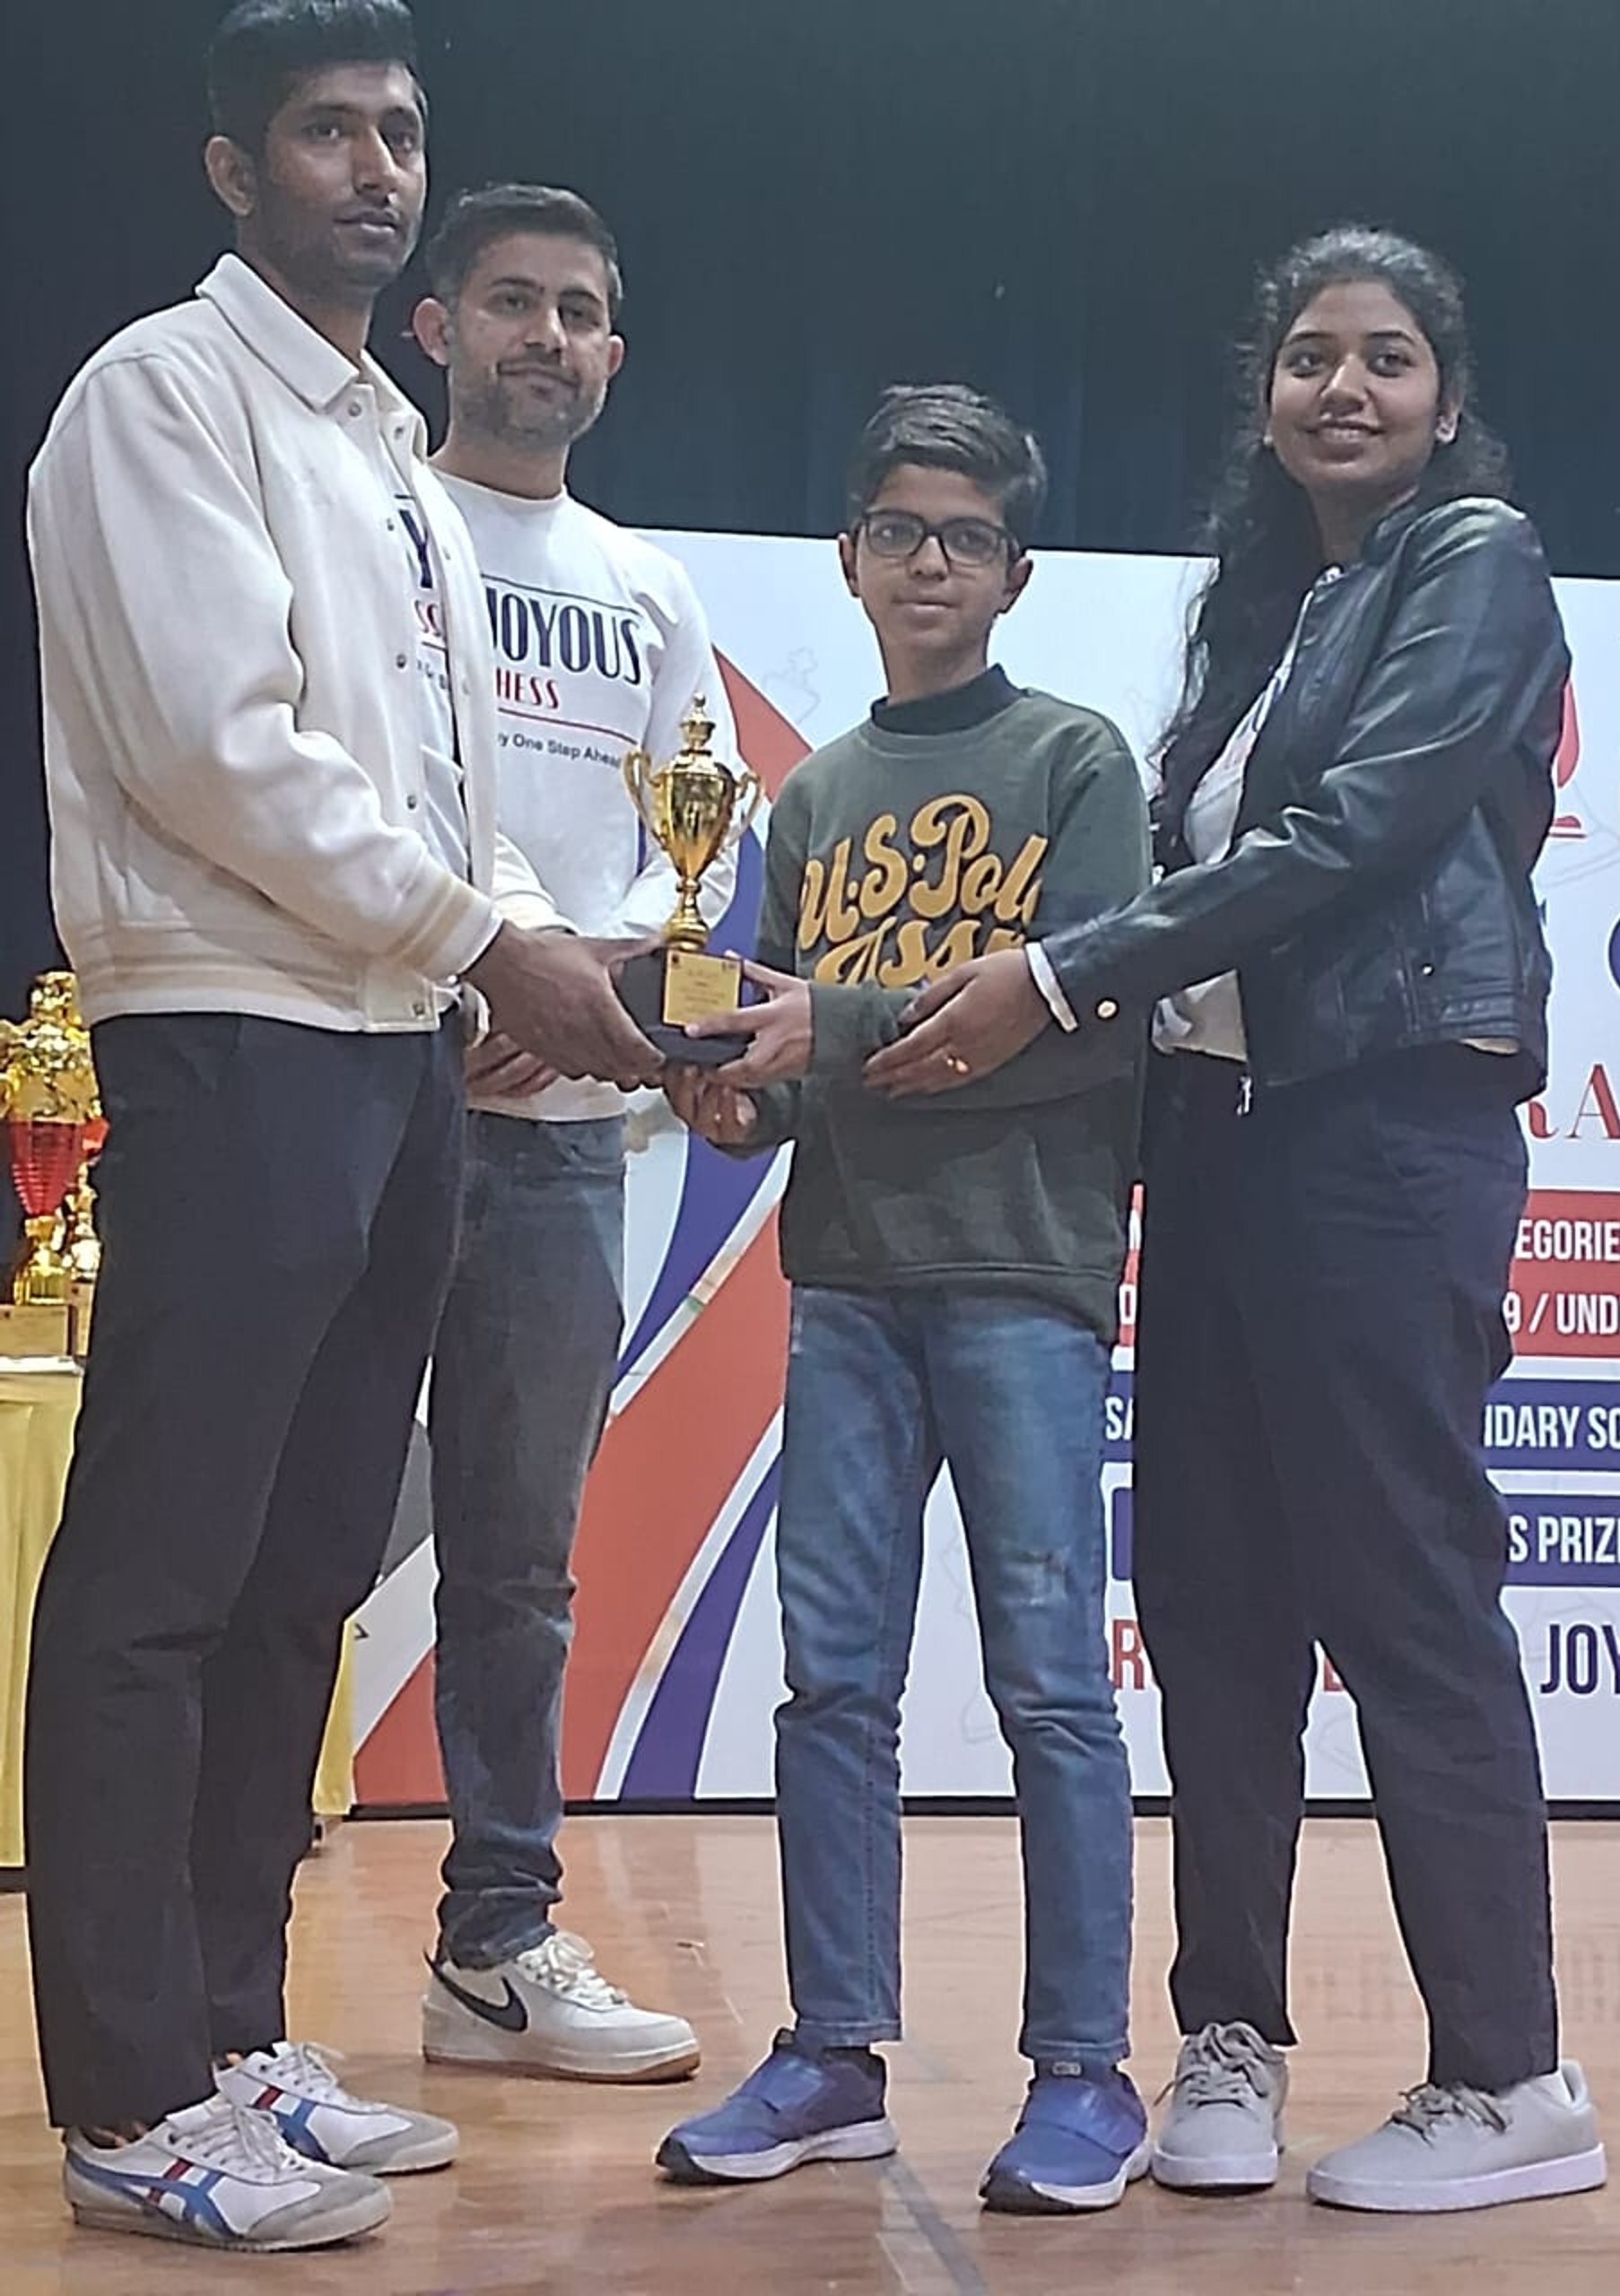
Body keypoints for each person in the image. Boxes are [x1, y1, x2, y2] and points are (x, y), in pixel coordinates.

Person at [868, 228, 1608, 2216]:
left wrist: (1056, 973)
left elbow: (1349, 836)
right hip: (1216, 1146)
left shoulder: (1476, 563)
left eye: (1386, 357)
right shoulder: (1265, 612)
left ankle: (1510, 2075)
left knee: (1406, 1593)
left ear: (1446, 396)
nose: (1343, 388)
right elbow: (1200, 871)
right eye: (1307, 358)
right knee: (1209, 1607)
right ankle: (1231, 2036)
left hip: (1384, 1130)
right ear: (1264, 397)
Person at [22, 0, 658, 2256]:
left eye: (399, 130)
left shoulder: (391, 439)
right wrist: (489, 939)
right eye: (326, 131)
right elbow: (219, 752)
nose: (377, 168)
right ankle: (127, 2099)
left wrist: (515, 957)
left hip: (394, 1046)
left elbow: (441, 793)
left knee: (300, 1576)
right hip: (233, 1027)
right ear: (233, 169)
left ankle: (228, 2037)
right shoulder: (158, 394)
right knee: (161, 1579)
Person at [655, 385, 1151, 2213]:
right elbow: (808, 1060)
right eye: (896, 531)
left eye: (964, 536)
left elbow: (1083, 1031)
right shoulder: (808, 795)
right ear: (849, 559)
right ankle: (833, 2053)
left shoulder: (1077, 762)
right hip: (850, 1278)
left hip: (1022, 1273)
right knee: (833, 1681)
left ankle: (1085, 2069)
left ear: (1015, 572)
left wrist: (831, 1033)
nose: (927, 561)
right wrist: (736, 1094)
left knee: (1051, 1687)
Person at [407, 182, 728, 2082]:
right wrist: (487, 978)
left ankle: (496, 1943)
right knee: (288, 1527)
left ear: (614, 352)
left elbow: (697, 855)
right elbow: (366, 783)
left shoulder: (648, 587)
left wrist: (600, 1003)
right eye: (512, 300)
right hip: (379, 1077)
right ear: (435, 327)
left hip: (556, 1131)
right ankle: (221, 1957)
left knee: (518, 1558)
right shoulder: (383, 520)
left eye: (580, 310)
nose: (548, 336)